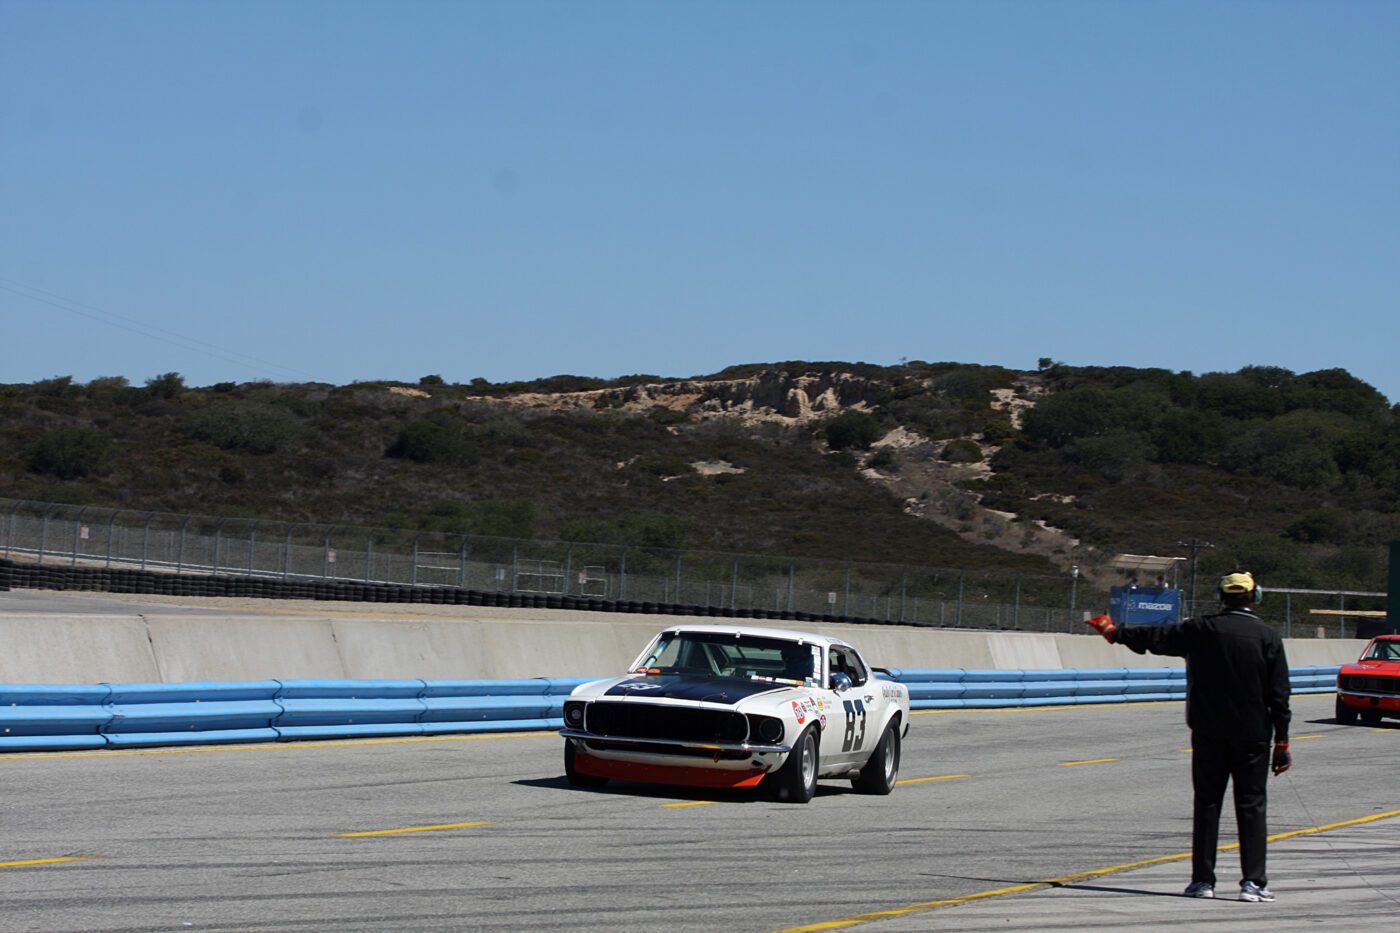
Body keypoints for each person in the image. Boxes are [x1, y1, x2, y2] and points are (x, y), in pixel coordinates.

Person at [1084, 571, 1292, 902]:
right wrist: (1282, 741)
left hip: (1208, 731)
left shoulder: (1200, 629)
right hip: (1252, 735)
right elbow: (1279, 694)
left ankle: (1202, 882)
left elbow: (1155, 637)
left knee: (1207, 803)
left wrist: (1114, 632)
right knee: (1251, 805)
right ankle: (1253, 883)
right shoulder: (1268, 636)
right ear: (1256, 597)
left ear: (1221, 597)